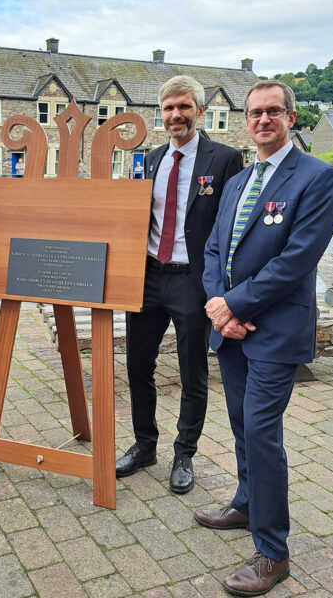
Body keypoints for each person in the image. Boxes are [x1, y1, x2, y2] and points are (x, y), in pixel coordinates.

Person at [194, 80, 333, 596]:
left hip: (276, 330)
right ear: (245, 120)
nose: (262, 120)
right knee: (240, 422)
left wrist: (234, 304)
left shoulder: (320, 177)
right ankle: (247, 502)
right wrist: (219, 308)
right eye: (255, 112)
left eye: (273, 111)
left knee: (261, 431)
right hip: (232, 329)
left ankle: (274, 553)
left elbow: (297, 260)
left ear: (292, 118)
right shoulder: (239, 179)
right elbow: (215, 248)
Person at [116, 76, 243, 494]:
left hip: (193, 280)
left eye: (184, 107)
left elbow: (230, 227)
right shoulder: (151, 159)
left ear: (200, 111)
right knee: (137, 365)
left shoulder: (223, 160)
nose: (176, 115)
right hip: (149, 276)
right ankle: (144, 444)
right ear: (161, 114)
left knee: (192, 372)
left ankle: (184, 452)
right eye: (169, 108)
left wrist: (224, 287)